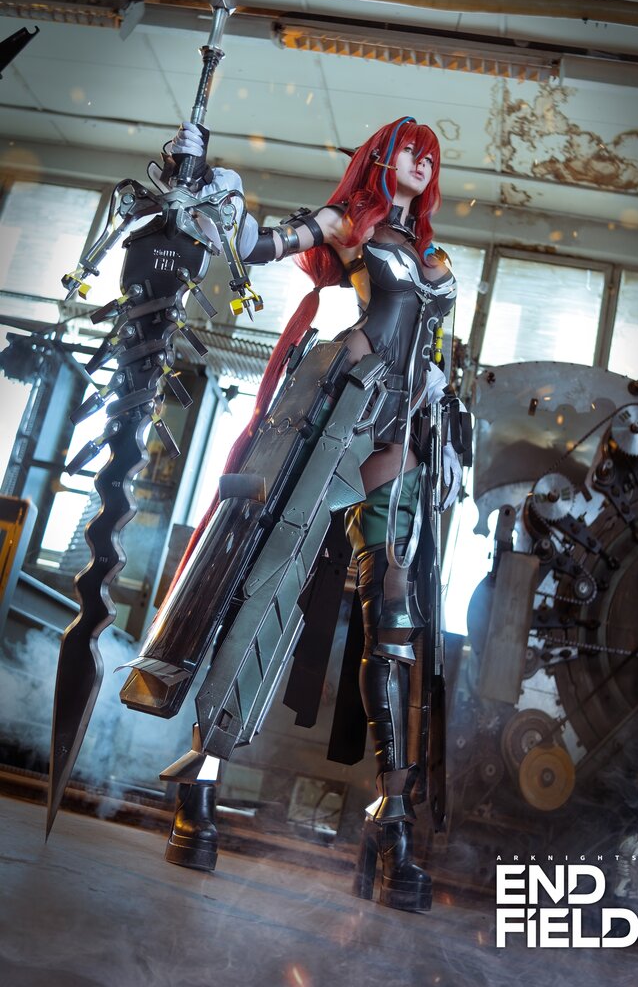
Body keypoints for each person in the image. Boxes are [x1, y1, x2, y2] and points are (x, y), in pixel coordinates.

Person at [162, 116, 465, 912]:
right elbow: (257, 246)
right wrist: (215, 190)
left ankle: (391, 824)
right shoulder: (351, 222)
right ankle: (201, 779)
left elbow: (431, 340)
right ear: (381, 158)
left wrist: (440, 391)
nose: (420, 162)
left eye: (429, 157)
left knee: (393, 619)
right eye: (408, 150)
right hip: (345, 413)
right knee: (268, 579)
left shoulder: (431, 253)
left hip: (404, 437)